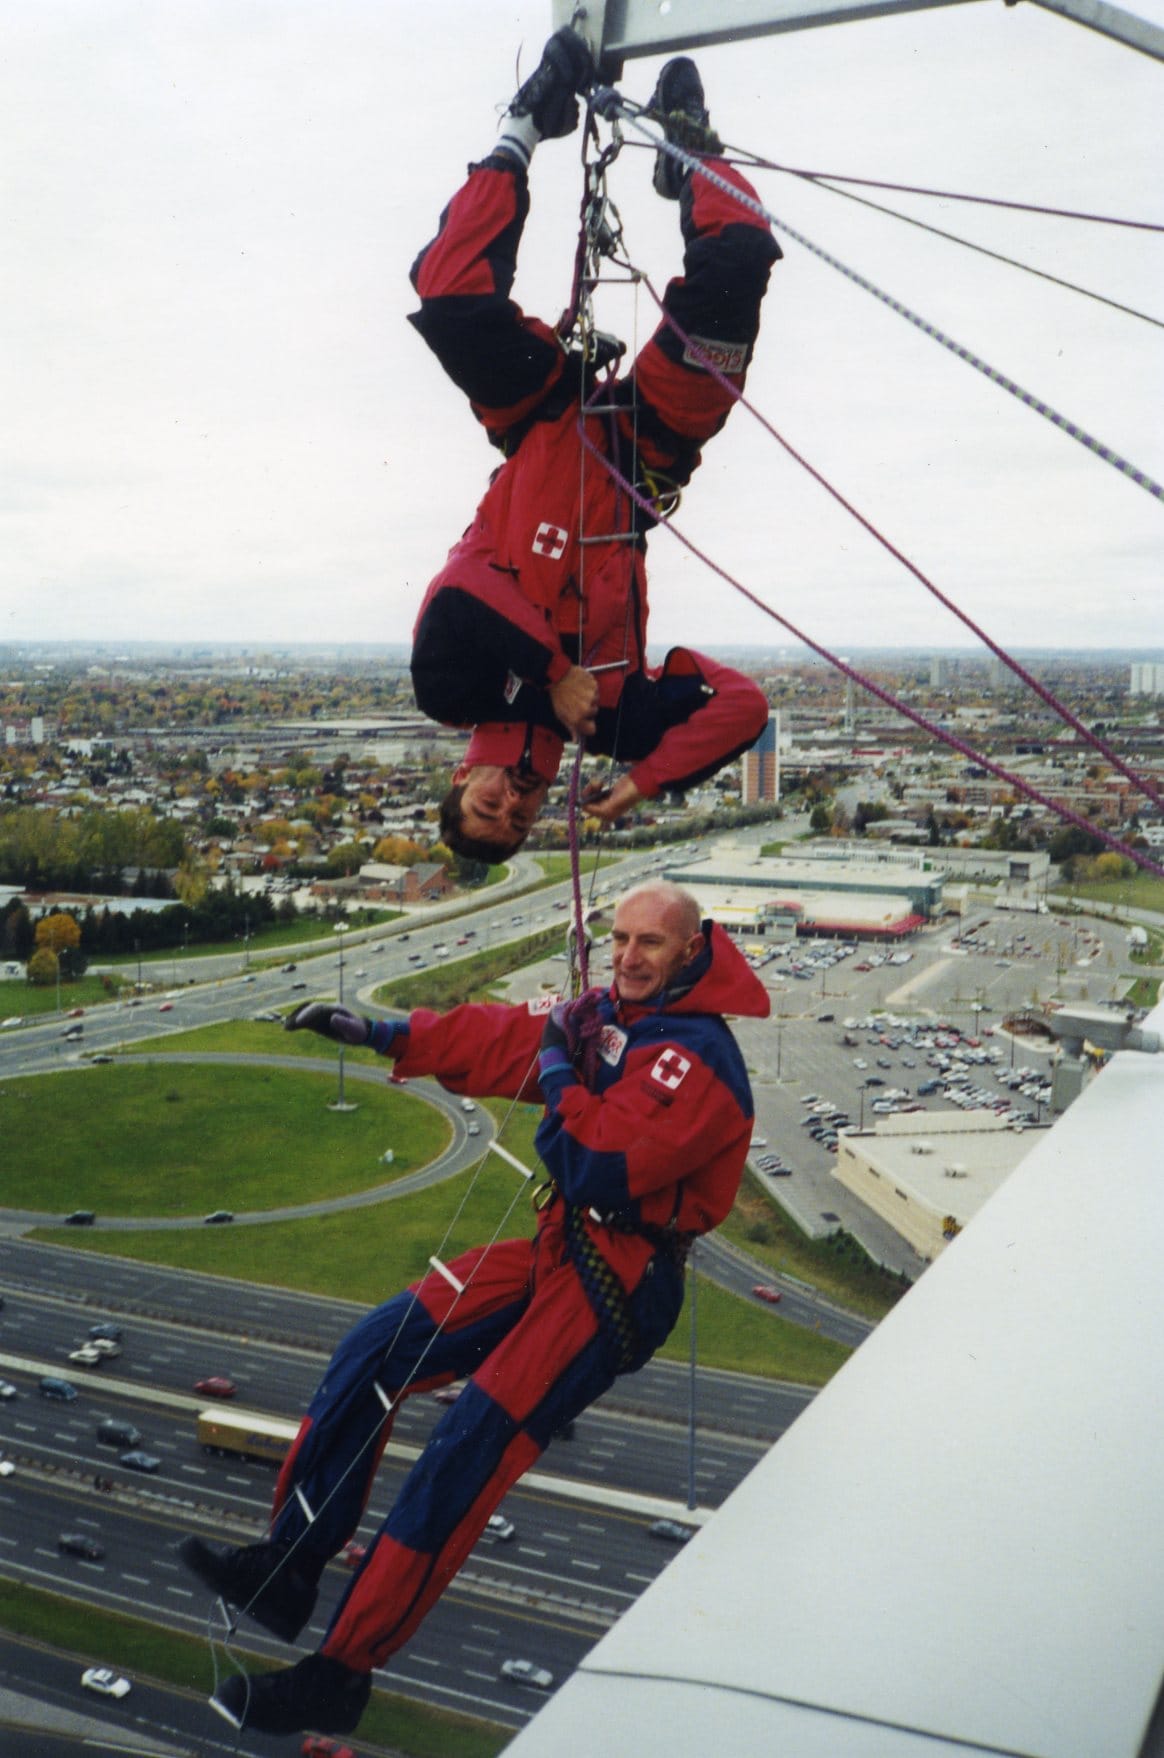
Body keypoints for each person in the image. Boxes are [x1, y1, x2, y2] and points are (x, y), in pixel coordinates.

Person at [179, 879, 769, 1737]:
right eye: (620, 939)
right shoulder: (618, 1013)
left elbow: (595, 1158)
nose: (628, 957)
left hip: (619, 1282)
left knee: (465, 1451)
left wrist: (563, 1066)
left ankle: (340, 1673)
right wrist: (384, 1031)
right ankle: (289, 1565)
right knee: (376, 1345)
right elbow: (506, 1038)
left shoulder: (699, 1059)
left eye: (650, 943)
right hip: (561, 1247)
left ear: (692, 947)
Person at [408, 33, 782, 861]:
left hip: (542, 421)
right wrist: (652, 777)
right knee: (737, 268)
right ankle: (691, 161)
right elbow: (742, 707)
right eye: (517, 821)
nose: (509, 803)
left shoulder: (453, 688)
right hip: (642, 451)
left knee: (448, 298)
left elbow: (462, 590)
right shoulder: (608, 724)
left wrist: (550, 673)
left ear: (460, 782)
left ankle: (524, 124)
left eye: (485, 807)